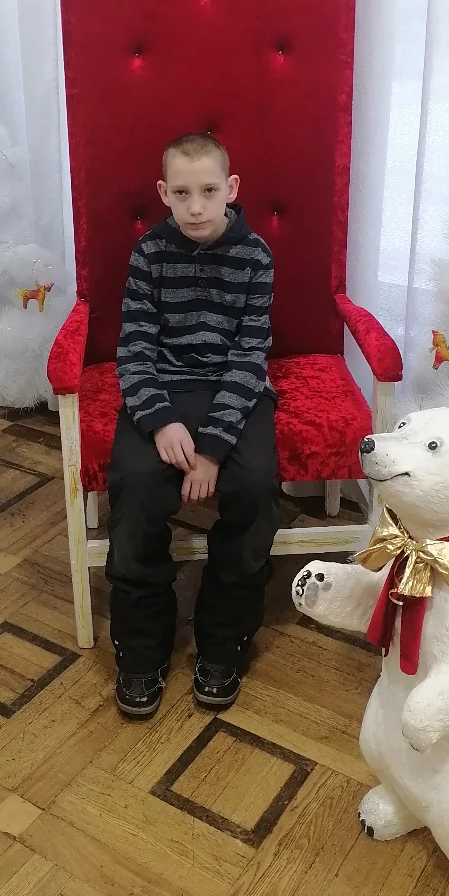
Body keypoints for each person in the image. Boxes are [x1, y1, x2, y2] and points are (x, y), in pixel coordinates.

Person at [106, 131, 279, 718]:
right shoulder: (149, 253)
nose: (196, 206)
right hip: (163, 387)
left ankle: (223, 643)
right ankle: (141, 651)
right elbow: (135, 349)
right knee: (134, 491)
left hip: (234, 388)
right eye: (182, 193)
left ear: (231, 188)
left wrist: (211, 450)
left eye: (208, 191)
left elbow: (250, 357)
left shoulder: (255, 256)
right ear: (164, 193)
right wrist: (160, 423)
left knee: (253, 487)